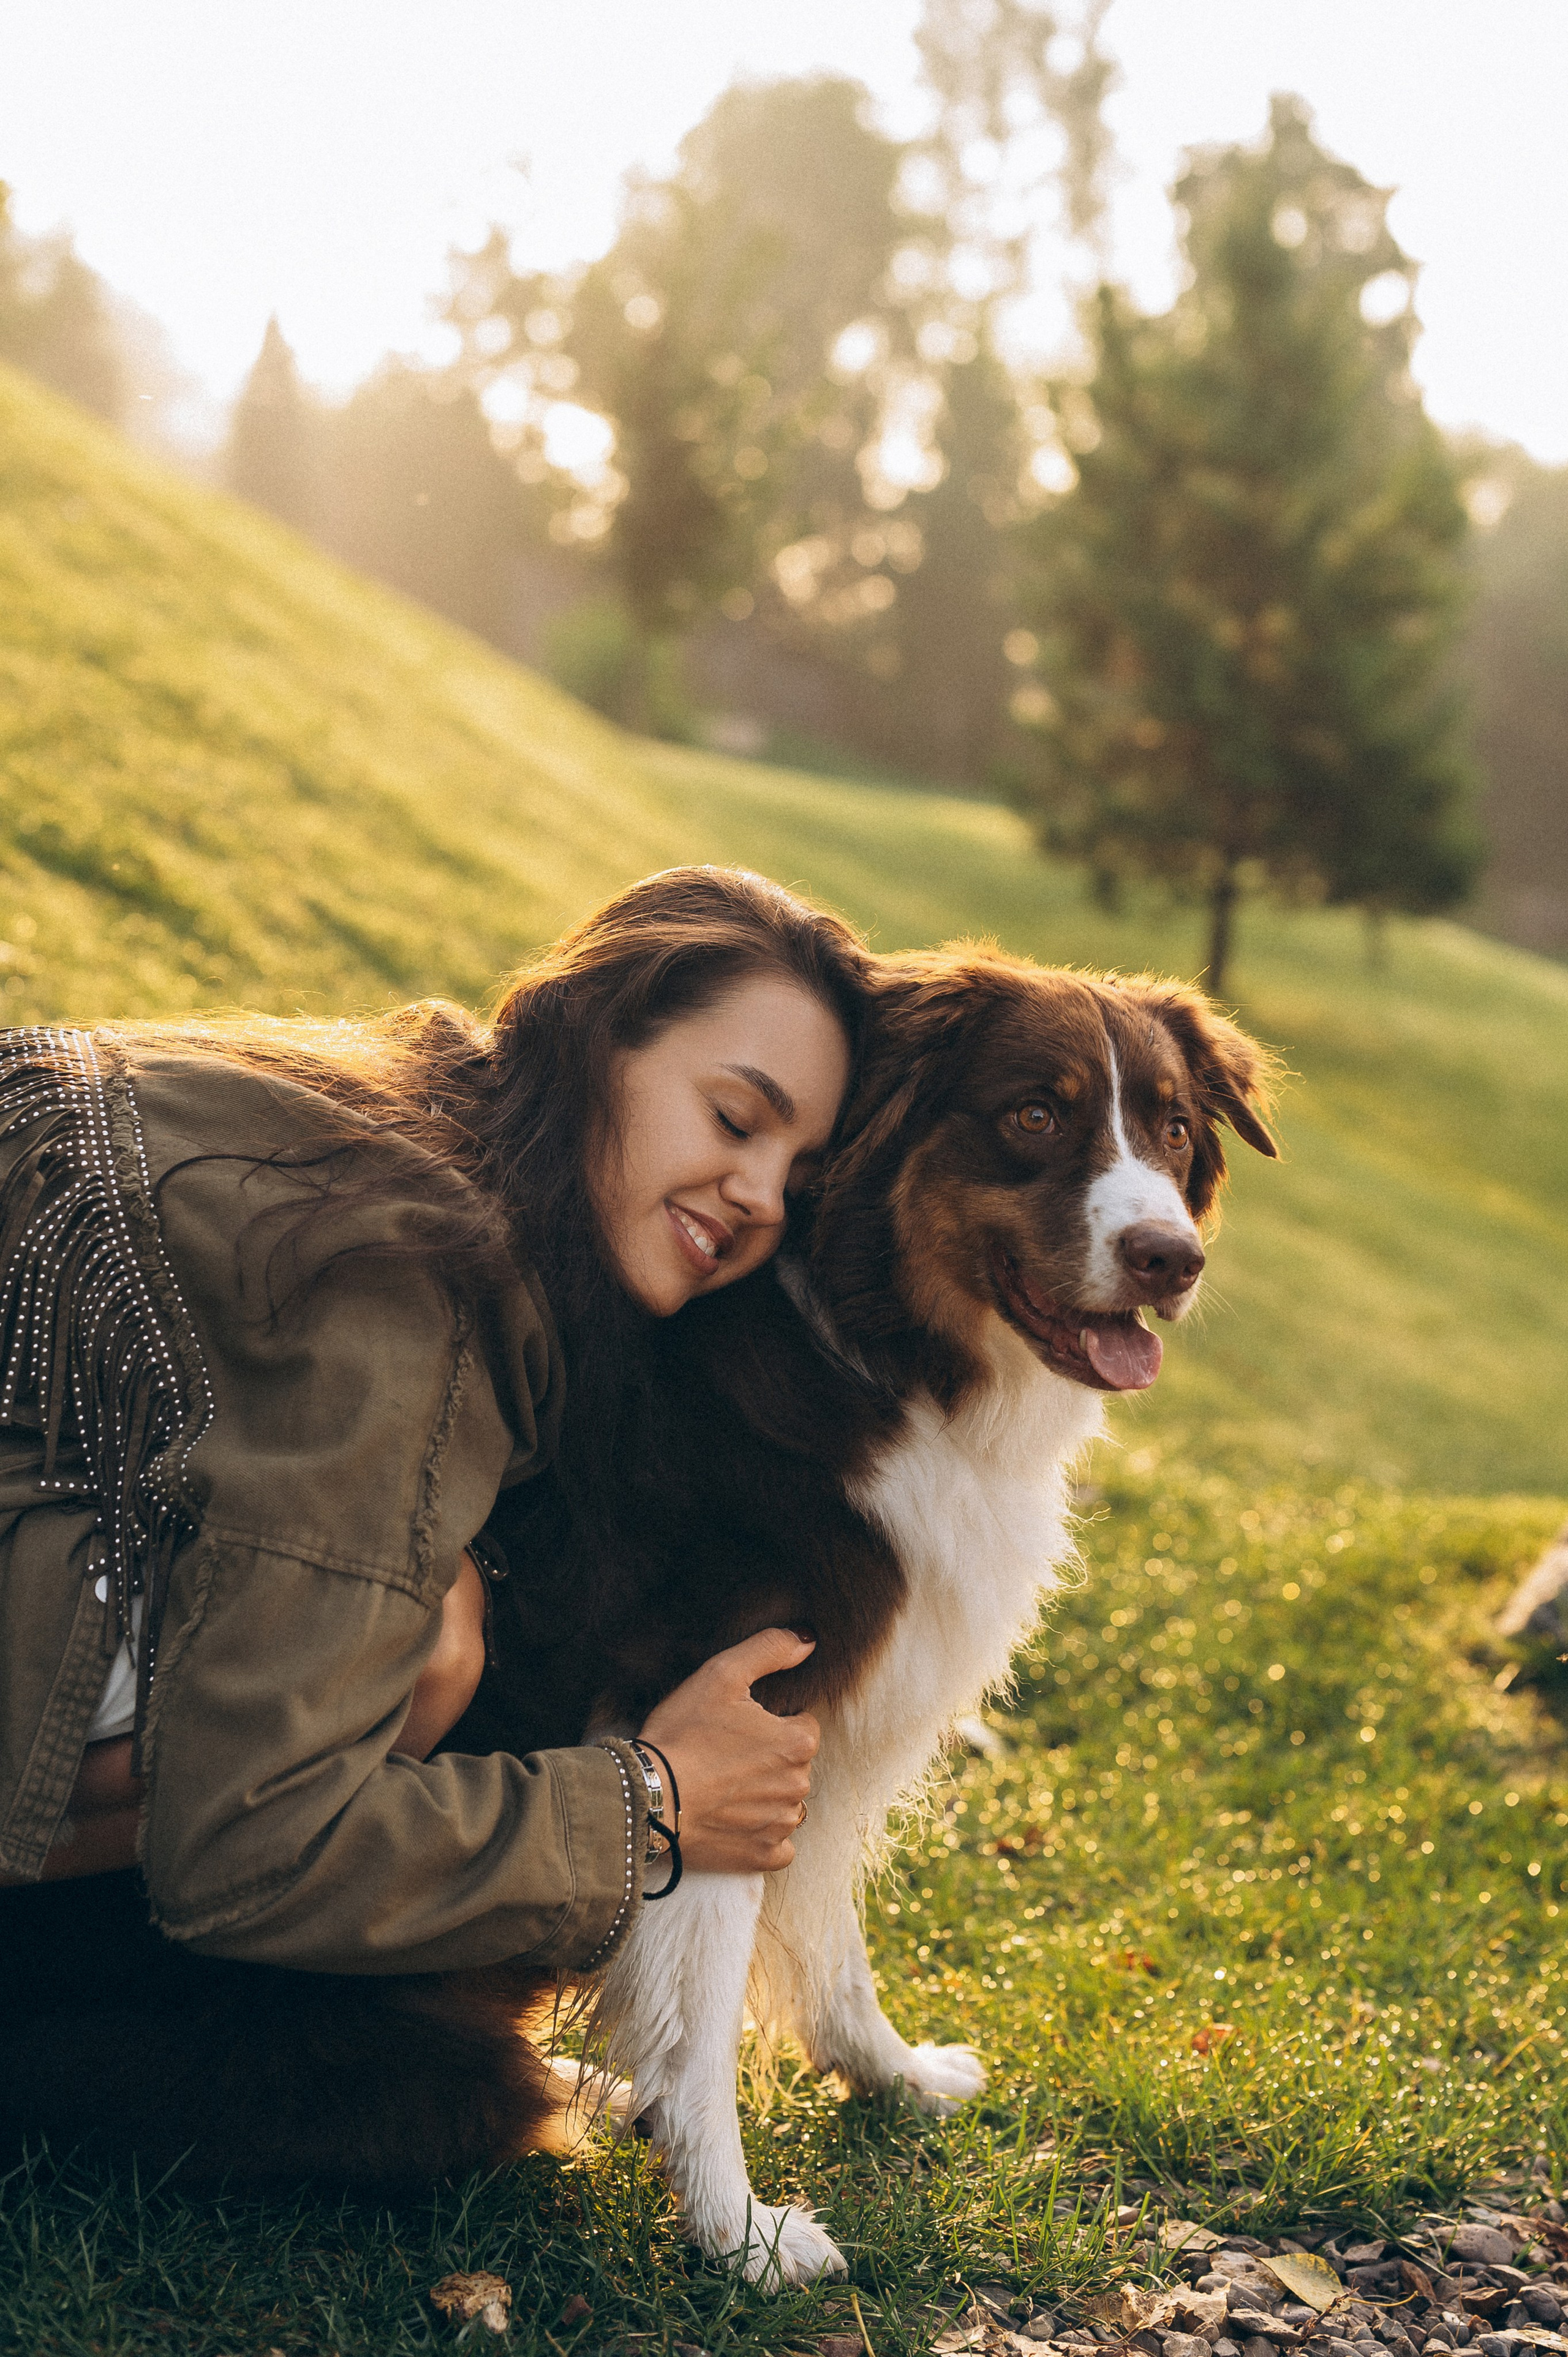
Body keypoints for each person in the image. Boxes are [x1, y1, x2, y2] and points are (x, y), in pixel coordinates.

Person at [0, 867, 868, 2015]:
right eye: (734, 1119)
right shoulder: (404, 1288)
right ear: (594, 1044)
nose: (759, 1194)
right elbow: (252, 1847)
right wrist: (650, 1803)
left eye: (799, 1182)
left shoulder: (373, 1113)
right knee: (431, 1641)